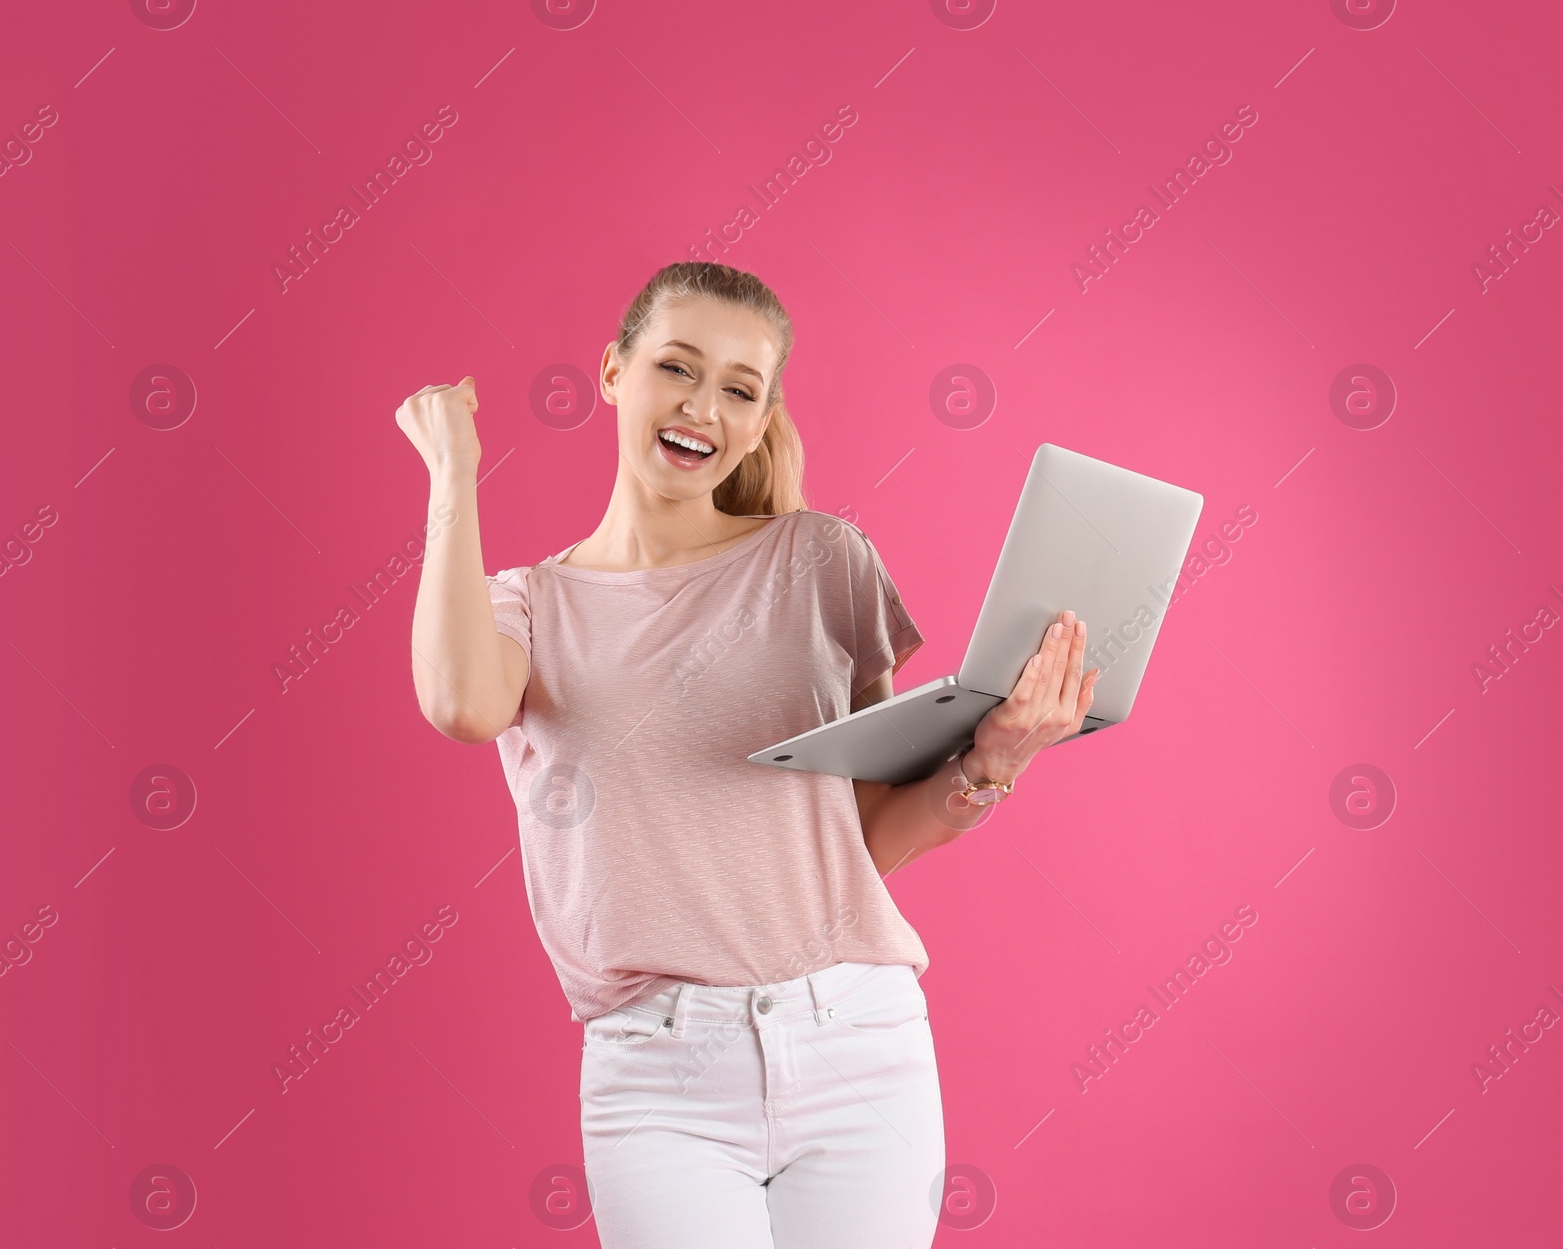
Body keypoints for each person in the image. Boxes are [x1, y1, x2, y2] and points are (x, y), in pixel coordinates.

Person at [395, 261, 1098, 1248]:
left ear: (764, 417)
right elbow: (461, 703)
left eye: (739, 387)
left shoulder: (821, 562)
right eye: (675, 368)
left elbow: (854, 841)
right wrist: (453, 471)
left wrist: (998, 755)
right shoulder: (528, 603)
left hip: (859, 1038)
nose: (702, 407)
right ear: (611, 372)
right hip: (656, 1072)